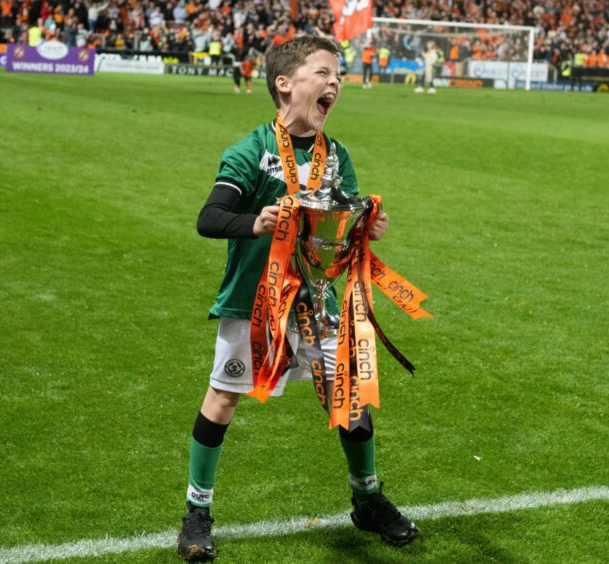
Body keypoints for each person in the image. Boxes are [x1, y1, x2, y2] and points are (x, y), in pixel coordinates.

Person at [178, 35, 416, 562]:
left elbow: (335, 238)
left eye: (339, 75)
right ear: (284, 84)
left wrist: (362, 228)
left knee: (350, 397)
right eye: (323, 72)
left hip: (319, 304)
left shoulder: (337, 156)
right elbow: (209, 218)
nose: (335, 82)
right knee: (222, 401)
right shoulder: (250, 151)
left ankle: (368, 500)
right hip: (255, 302)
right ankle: (197, 512)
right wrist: (255, 221)